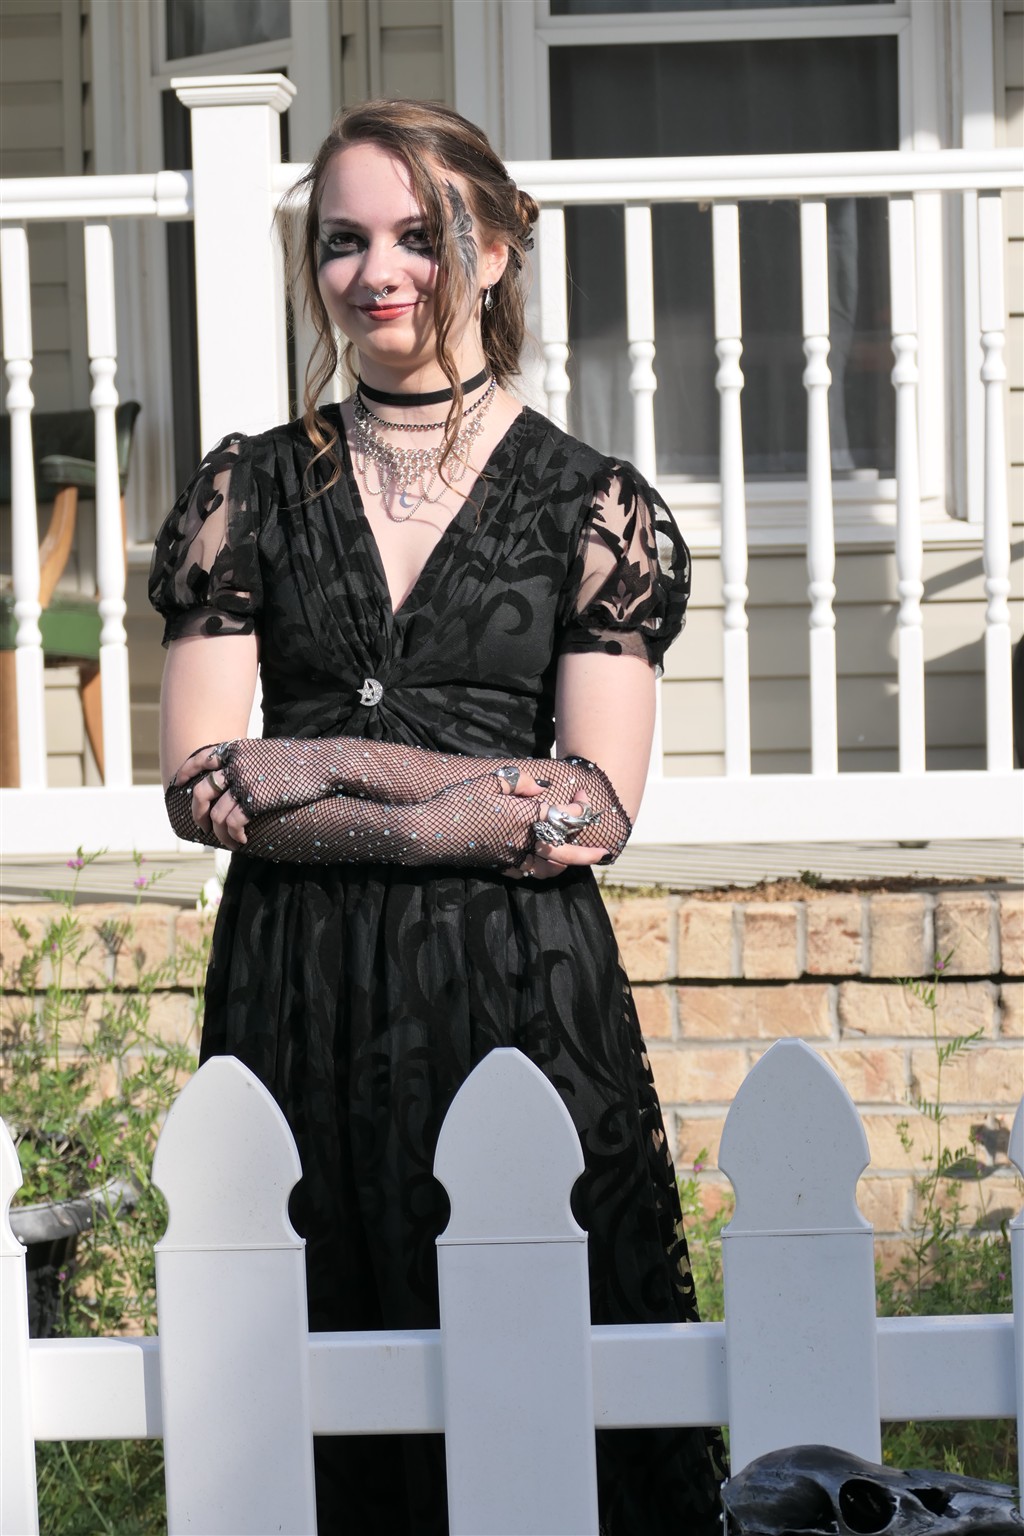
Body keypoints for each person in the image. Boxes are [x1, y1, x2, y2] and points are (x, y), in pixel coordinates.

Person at [150, 98, 725, 1535]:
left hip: (515, 989)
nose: (378, 273)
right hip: (300, 985)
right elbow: (208, 784)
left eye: (420, 235)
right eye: (343, 242)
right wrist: (463, 799)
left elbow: (589, 805)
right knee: (314, 1378)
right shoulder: (249, 490)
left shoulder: (594, 507)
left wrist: (354, 789)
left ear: (499, 246)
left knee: (545, 1381)